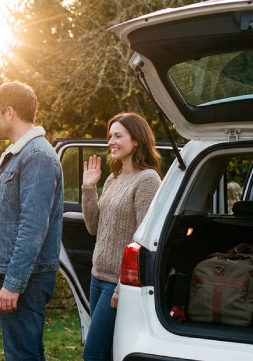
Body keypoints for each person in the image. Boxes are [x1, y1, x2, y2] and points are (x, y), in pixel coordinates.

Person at [0, 81, 64, 360]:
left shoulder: (36, 156)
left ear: (10, 113)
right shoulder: (22, 153)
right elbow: (12, 215)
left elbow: (32, 227)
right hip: (21, 277)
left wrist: (13, 283)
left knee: (23, 356)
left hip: (26, 279)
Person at [81, 112, 162, 361]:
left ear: (136, 140)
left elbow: (144, 239)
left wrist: (121, 286)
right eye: (110, 136)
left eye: (118, 136)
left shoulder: (148, 180)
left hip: (118, 284)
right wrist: (88, 187)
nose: (111, 142)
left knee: (93, 354)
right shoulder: (113, 179)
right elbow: (93, 227)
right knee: (105, 352)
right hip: (97, 278)